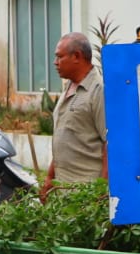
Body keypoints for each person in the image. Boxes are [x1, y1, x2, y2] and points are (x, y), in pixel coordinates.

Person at [42, 32, 106, 200]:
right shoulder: (69, 86)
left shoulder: (98, 90)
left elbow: (110, 144)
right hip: (63, 188)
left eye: (59, 57)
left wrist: (102, 190)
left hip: (86, 191)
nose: (55, 63)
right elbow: (63, 136)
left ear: (77, 56)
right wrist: (50, 177)